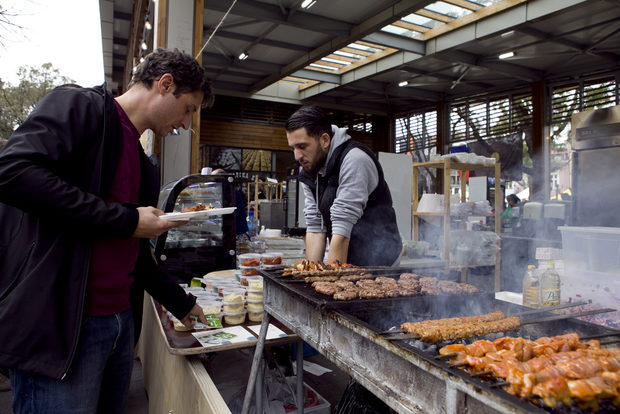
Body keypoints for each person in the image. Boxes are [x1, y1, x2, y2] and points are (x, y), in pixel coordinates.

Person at [0, 48, 213, 413]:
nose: (186, 124)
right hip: (62, 326)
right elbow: (13, 172)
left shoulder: (145, 164)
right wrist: (128, 220)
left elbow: (134, 253)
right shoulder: (82, 108)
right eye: (189, 109)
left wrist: (182, 303)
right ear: (165, 85)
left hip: (119, 326)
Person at [285, 105, 402, 267]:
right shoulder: (310, 167)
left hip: (380, 263)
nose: (297, 156)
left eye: (302, 146)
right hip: (346, 258)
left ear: (324, 140)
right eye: (293, 148)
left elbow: (342, 231)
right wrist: (311, 276)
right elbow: (315, 226)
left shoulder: (354, 160)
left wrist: (330, 283)